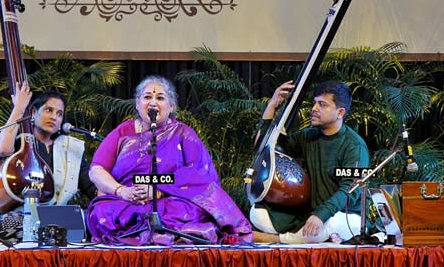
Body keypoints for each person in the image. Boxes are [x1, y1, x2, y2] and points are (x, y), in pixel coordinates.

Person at [86, 76, 253, 245]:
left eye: (160, 98)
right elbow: (96, 170)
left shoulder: (183, 133)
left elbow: (199, 175)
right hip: (127, 200)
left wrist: (159, 190)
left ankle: (154, 234)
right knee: (100, 212)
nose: (152, 103)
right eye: (147, 97)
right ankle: (158, 234)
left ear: (171, 106)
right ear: (137, 104)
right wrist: (121, 191)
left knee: (189, 211)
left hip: (170, 200)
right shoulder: (122, 132)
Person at [250, 79, 369, 244]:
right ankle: (305, 238)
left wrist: (321, 215)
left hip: (346, 215)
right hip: (311, 213)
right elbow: (265, 148)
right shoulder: (308, 136)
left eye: (322, 105)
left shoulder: (354, 146)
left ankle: (277, 239)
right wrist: (272, 106)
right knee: (257, 213)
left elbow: (349, 191)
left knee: (331, 223)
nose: (314, 109)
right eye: (314, 103)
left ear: (340, 112)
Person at [0, 85, 96, 241]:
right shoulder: (19, 142)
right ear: (34, 113)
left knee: (91, 219)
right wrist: (19, 108)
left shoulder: (70, 149)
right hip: (20, 217)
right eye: (48, 110)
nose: (54, 117)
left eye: (59, 114)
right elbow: (2, 150)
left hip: (58, 218)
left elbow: (91, 186)